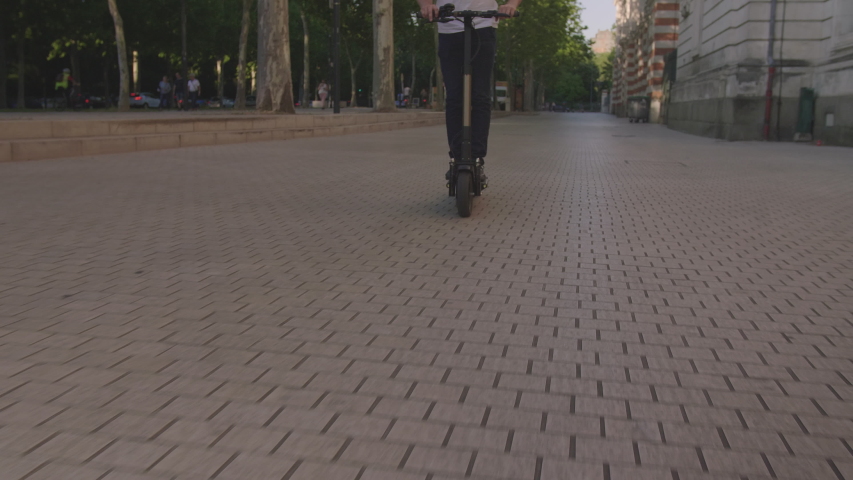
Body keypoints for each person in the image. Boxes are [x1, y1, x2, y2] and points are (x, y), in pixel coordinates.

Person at [418, 0, 521, 183]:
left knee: (480, 97)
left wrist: (511, 5)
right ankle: (457, 158)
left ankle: (477, 158)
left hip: (484, 24)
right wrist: (426, 5)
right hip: (448, 25)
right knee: (454, 97)